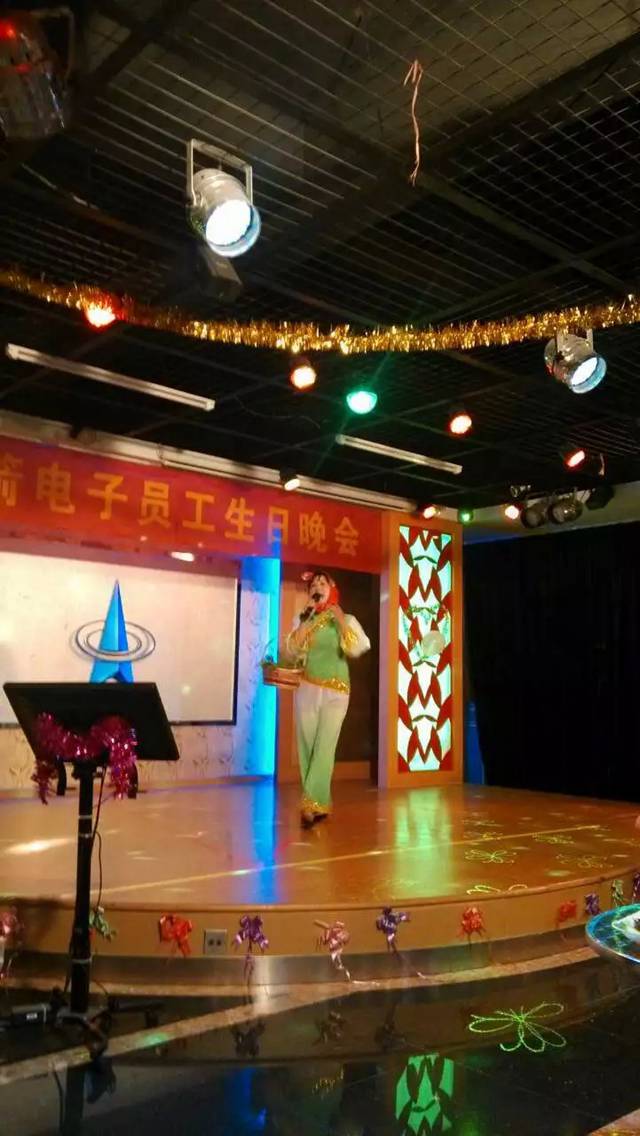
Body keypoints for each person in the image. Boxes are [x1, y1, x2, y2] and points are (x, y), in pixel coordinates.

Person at [287, 569, 370, 827]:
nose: (318, 586)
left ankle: (310, 804)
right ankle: (318, 803)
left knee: (325, 745)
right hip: (307, 688)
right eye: (314, 584)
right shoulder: (303, 619)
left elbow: (357, 647)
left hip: (336, 690)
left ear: (333, 588)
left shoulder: (346, 618)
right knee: (307, 746)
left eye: (323, 583)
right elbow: (292, 651)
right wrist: (306, 619)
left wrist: (341, 620)